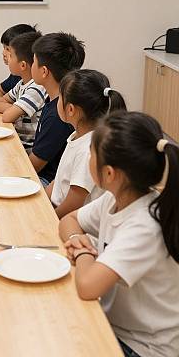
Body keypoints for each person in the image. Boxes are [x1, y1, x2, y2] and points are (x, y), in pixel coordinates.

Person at [59, 111, 179, 357]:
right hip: (115, 325)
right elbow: (69, 221)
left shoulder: (144, 227)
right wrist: (74, 238)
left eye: (92, 153)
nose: (88, 157)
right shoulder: (114, 198)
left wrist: (82, 251)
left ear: (110, 173)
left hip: (143, 347)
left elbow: (87, 286)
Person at [48, 69, 126, 218]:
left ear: (70, 109)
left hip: (71, 219)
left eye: (59, 98)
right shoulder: (77, 136)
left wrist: (49, 219)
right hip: (56, 209)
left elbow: (75, 201)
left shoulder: (88, 149)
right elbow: (60, 180)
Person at [28, 32, 85, 184]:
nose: (31, 66)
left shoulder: (58, 115)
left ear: (44, 71)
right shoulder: (55, 100)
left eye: (33, 62)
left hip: (46, 181)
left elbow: (33, 166)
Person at [0, 31, 46, 148]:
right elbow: (1, 99)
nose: (7, 58)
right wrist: (13, 109)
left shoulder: (36, 88)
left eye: (11, 56)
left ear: (23, 65)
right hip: (15, 138)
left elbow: (7, 115)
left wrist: (11, 110)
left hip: (25, 147)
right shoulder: (21, 83)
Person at [0, 23, 37, 97]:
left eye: (8, 49)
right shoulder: (18, 77)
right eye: (4, 48)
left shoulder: (35, 83)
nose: (3, 53)